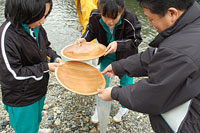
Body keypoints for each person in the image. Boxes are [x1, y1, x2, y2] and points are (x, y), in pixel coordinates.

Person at [98, 0, 200, 132]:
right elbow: (155, 55)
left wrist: (114, 93)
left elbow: (153, 94)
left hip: (188, 123)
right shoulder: (188, 27)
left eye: (151, 19)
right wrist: (118, 66)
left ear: (172, 13)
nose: (150, 25)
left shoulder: (179, 50)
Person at [0, 0, 64, 133]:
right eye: (41, 16)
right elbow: (13, 74)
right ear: (25, 12)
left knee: (36, 117)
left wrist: (55, 57)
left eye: (46, 15)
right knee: (24, 127)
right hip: (21, 98)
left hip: (38, 88)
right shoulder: (7, 36)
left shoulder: (36, 26)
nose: (43, 21)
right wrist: (46, 67)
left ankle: (35, 129)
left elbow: (45, 46)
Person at [75, 0, 142, 123]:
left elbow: (136, 40)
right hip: (107, 55)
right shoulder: (94, 15)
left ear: (121, 12)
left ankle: (124, 108)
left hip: (126, 57)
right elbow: (91, 30)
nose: (109, 22)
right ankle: (100, 106)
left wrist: (118, 44)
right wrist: (84, 39)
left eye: (114, 18)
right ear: (100, 11)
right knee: (102, 80)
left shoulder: (130, 18)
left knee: (126, 81)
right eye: (105, 17)